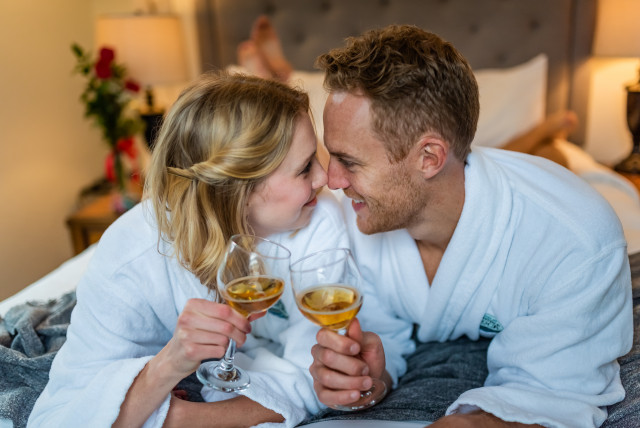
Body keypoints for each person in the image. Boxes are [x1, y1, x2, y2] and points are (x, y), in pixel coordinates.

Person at [308, 25, 633, 427]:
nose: (329, 180)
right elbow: (382, 333)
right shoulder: (357, 220)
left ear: (429, 157)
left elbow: (553, 392)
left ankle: (546, 137)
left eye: (349, 162)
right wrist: (371, 375)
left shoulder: (573, 242)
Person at [27, 71, 349, 427]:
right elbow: (59, 417)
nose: (326, 179)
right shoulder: (132, 253)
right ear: (237, 191)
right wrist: (169, 363)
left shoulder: (319, 220)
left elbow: (319, 379)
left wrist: (183, 418)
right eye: (305, 168)